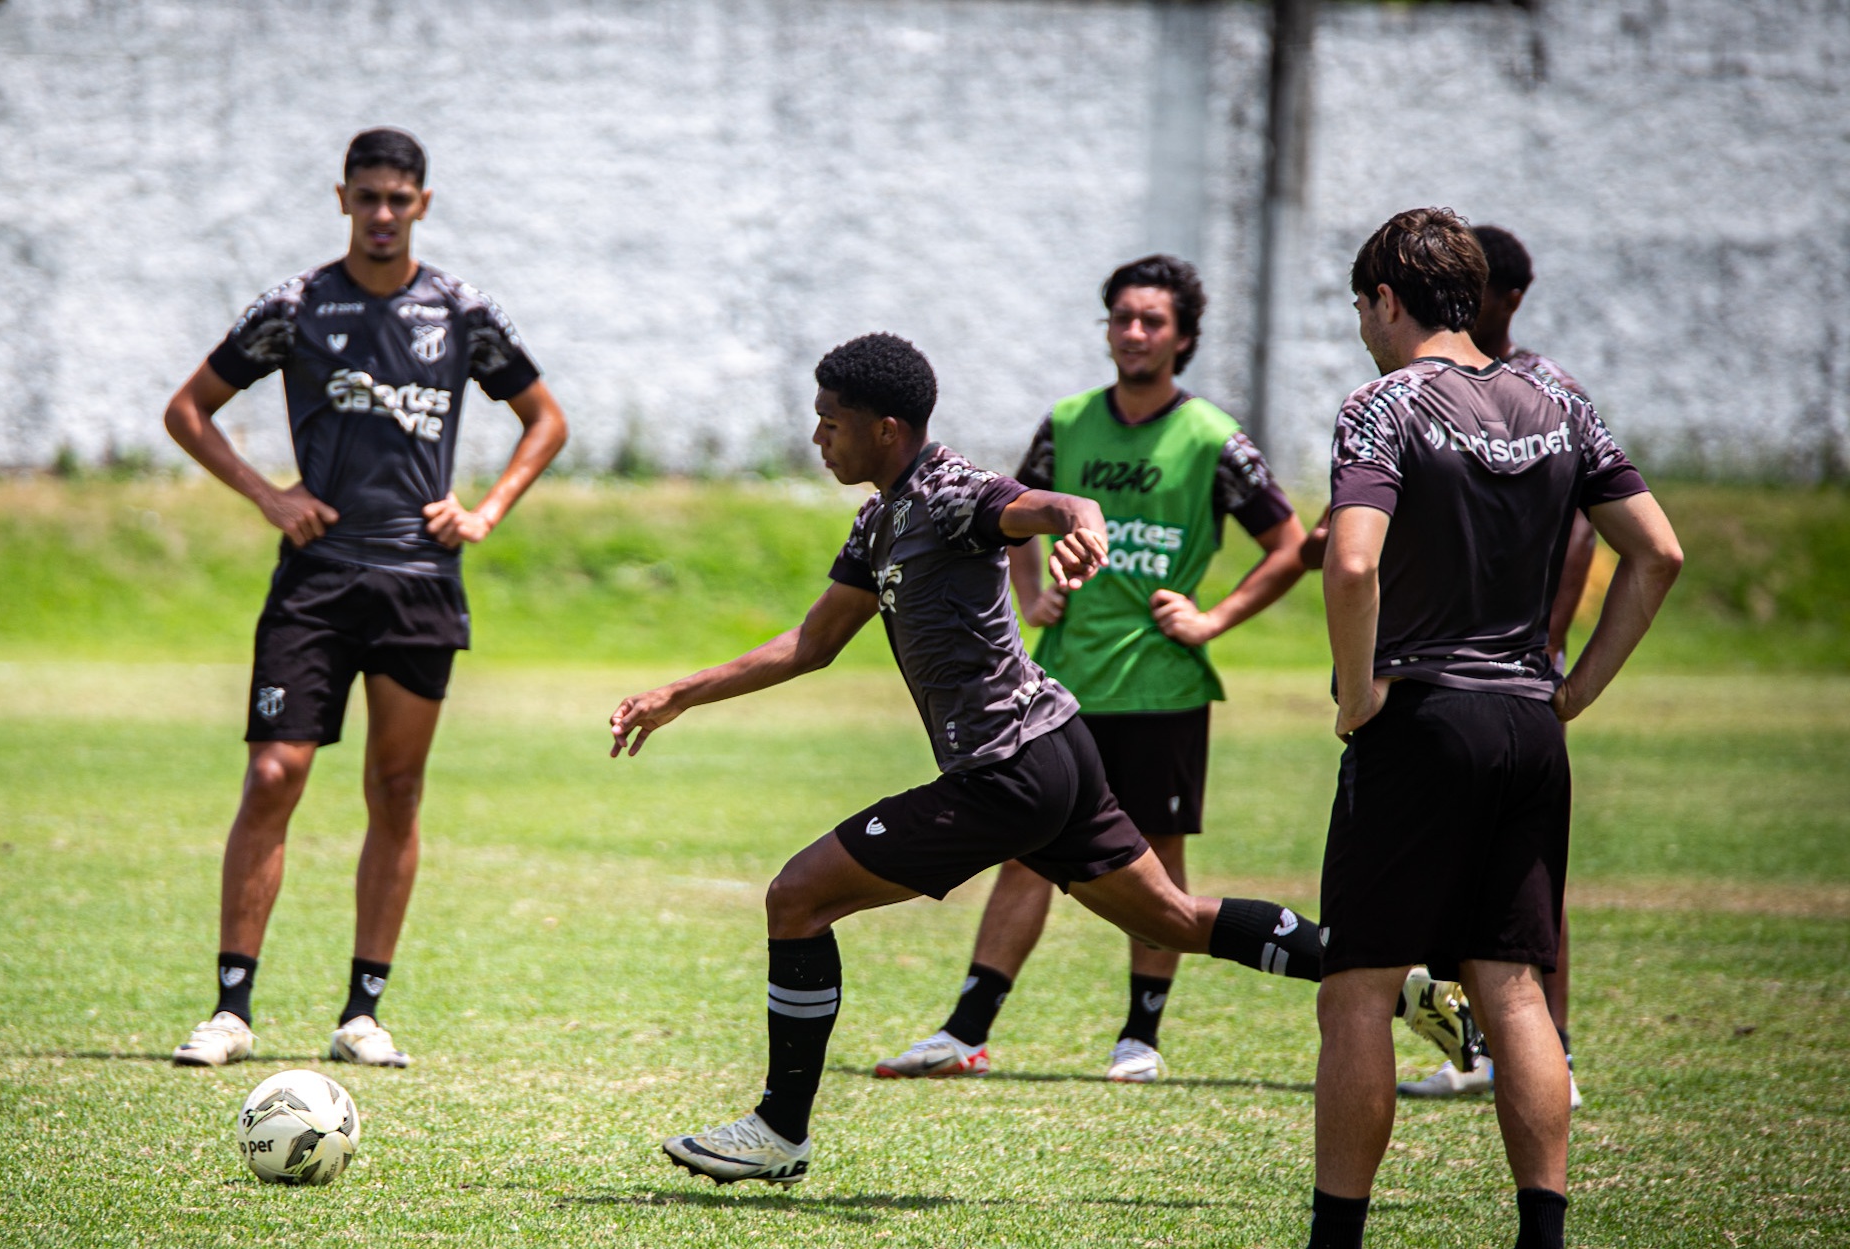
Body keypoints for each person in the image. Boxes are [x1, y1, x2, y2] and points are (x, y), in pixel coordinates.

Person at [609, 333, 1328, 1187]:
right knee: (1170, 918)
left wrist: (1082, 525)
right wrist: (678, 694)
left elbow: (1046, 506)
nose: (817, 439)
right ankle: (1384, 973)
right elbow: (812, 641)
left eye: (828, 423)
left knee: (796, 897)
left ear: (884, 428)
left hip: (1007, 772)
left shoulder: (950, 490)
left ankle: (779, 1128)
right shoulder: (880, 520)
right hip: (1055, 750)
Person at [1208, 208, 1680, 1249]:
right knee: (1510, 983)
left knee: (1359, 988)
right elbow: (1654, 551)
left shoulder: (1384, 404)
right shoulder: (1557, 396)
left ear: (1384, 299)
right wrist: (1570, 691)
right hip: (1527, 723)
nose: (1360, 331)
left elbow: (1354, 559)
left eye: (1357, 309)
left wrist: (1358, 689)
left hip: (1422, 720)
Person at [869, 256, 1473, 1087]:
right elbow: (1003, 516)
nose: (1133, 332)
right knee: (1022, 856)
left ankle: (1139, 1034)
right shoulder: (1069, 422)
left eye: (1151, 320)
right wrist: (1031, 593)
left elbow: (1292, 547)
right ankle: (966, 1029)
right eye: (1120, 317)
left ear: (1182, 336)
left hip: (1164, 687)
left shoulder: (1212, 437)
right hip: (1062, 689)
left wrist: (1214, 617)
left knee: (1158, 861)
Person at [160, 128, 567, 1069]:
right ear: (341, 198)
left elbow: (545, 418)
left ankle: (362, 1013)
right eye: (367, 197)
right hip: (315, 581)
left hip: (421, 583)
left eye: (399, 199)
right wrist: (270, 493)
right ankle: (231, 1009)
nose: (382, 213)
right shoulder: (298, 306)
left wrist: (487, 509)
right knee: (275, 774)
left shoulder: (460, 311)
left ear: (423, 204)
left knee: (397, 788)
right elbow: (188, 409)